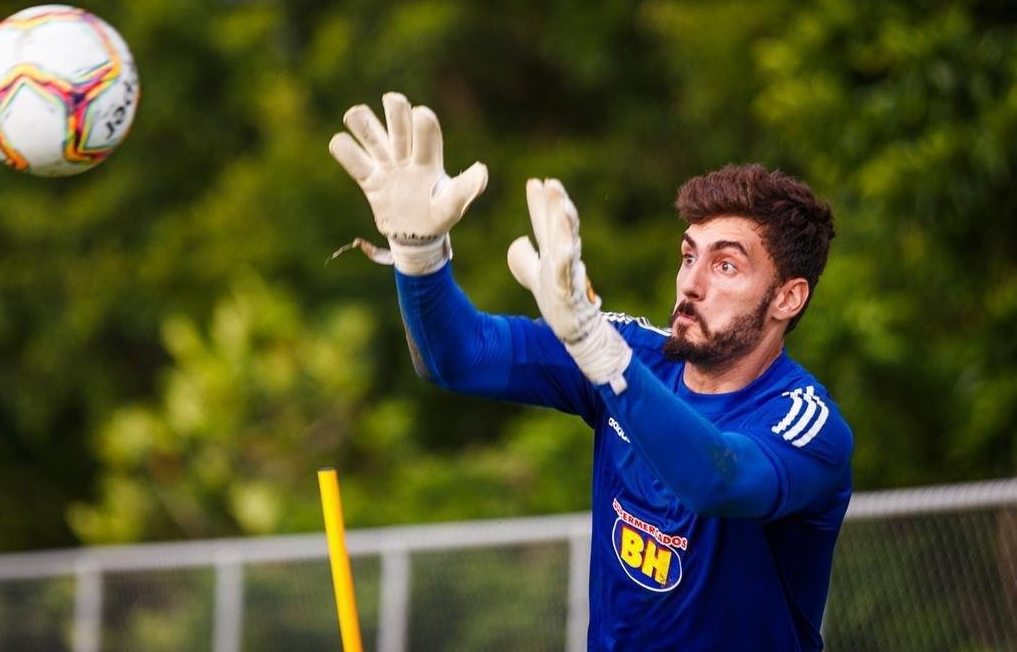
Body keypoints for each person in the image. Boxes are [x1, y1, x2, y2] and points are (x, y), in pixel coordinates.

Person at [329, 92, 853, 652]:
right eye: (688, 256)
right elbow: (458, 356)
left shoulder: (807, 424)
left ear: (787, 298)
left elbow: (717, 479)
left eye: (725, 265)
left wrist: (600, 353)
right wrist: (419, 255)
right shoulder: (628, 351)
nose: (691, 283)